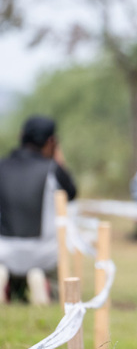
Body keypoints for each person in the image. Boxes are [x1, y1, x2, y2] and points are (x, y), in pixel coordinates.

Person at [0, 115, 78, 305]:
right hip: (43, 253)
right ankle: (46, 285)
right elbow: (72, 193)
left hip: (4, 251)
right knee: (52, 262)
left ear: (21, 136)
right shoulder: (53, 169)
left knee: (9, 256)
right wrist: (58, 157)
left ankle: (9, 281)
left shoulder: (1, 166)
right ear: (52, 142)